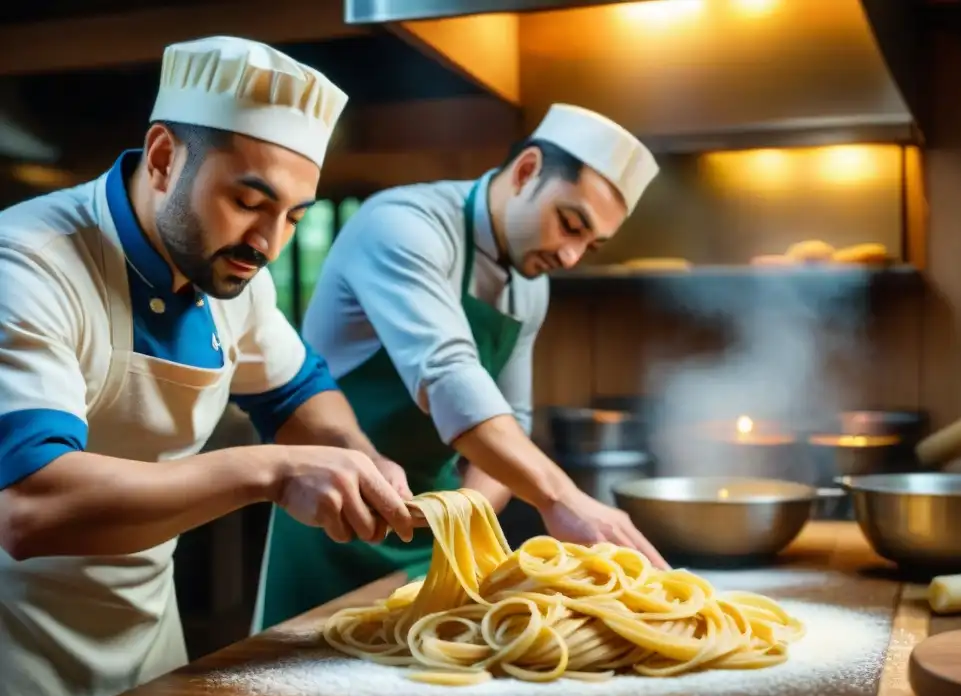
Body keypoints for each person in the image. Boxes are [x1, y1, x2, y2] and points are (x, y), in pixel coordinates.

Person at [0, 36, 418, 696]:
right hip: (17, 648)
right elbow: (30, 508)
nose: (268, 243)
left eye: (292, 216)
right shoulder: (29, 264)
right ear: (162, 158)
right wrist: (273, 472)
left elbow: (301, 391)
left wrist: (362, 463)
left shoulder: (231, 272)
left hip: (148, 641)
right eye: (248, 201)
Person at [254, 103, 670, 631]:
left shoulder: (529, 287)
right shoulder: (402, 226)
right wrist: (562, 499)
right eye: (570, 224)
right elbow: (450, 381)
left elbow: (510, 421)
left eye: (590, 243)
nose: (571, 256)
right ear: (526, 171)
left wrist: (460, 523)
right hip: (331, 519)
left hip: (431, 532)